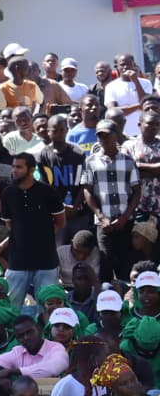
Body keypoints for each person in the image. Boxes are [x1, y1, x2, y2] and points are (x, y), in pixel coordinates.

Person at [1, 152, 66, 309]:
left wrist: (41, 236)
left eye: (19, 167)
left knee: (48, 308)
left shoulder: (48, 192)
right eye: (13, 167)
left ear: (31, 169)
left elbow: (60, 222)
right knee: (11, 308)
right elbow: (9, 224)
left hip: (46, 261)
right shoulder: (8, 193)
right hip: (17, 261)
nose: (14, 170)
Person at [81, 121, 140, 284]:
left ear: (116, 136)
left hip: (125, 222)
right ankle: (106, 296)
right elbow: (87, 190)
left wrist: (124, 217)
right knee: (105, 263)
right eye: (100, 135)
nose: (103, 139)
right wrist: (101, 217)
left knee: (125, 264)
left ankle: (125, 296)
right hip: (103, 223)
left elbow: (136, 191)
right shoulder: (91, 161)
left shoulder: (128, 161)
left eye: (107, 135)